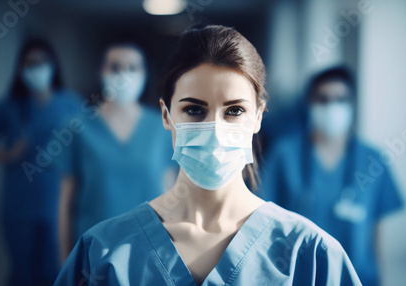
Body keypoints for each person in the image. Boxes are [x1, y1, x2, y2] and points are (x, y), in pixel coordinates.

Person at [54, 25, 361, 286]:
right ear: (165, 115)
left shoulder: (308, 255)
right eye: (194, 110)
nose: (215, 129)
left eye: (235, 110)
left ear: (258, 118)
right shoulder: (103, 253)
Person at [260, 67, 404, 286]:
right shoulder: (285, 155)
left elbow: (377, 235)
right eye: (323, 99)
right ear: (310, 104)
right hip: (297, 277)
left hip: (358, 278)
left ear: (352, 105)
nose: (332, 107)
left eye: (340, 99)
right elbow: (265, 219)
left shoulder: (373, 160)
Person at [56, 40, 177, 263]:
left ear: (145, 73)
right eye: (115, 67)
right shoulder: (77, 128)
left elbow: (172, 198)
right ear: (100, 72)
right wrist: (67, 263)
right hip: (94, 254)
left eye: (133, 68)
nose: (124, 75)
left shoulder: (163, 128)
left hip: (151, 254)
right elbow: (64, 205)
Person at [0, 38, 81, 286]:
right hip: (19, 204)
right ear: (20, 68)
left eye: (42, 62)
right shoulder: (9, 106)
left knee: (56, 270)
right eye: (30, 63)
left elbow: (85, 149)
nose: (37, 68)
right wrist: (7, 154)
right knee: (22, 274)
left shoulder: (70, 104)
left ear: (53, 65)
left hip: (57, 204)